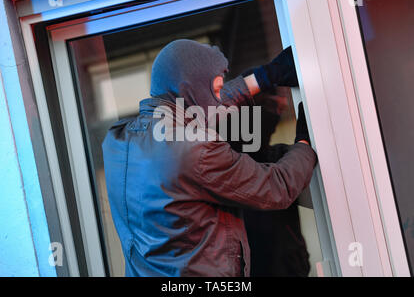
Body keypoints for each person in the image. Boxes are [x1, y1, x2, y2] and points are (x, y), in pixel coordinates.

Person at [102, 39, 317, 276]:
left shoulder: (119, 140)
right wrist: (306, 142)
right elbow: (276, 187)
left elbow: (194, 108)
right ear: (190, 90)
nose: (218, 99)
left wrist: (263, 77)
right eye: (215, 90)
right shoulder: (197, 149)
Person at [229, 91, 311, 277]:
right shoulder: (228, 167)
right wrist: (304, 144)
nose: (279, 111)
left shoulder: (278, 158)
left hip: (289, 268)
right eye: (273, 106)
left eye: (280, 107)